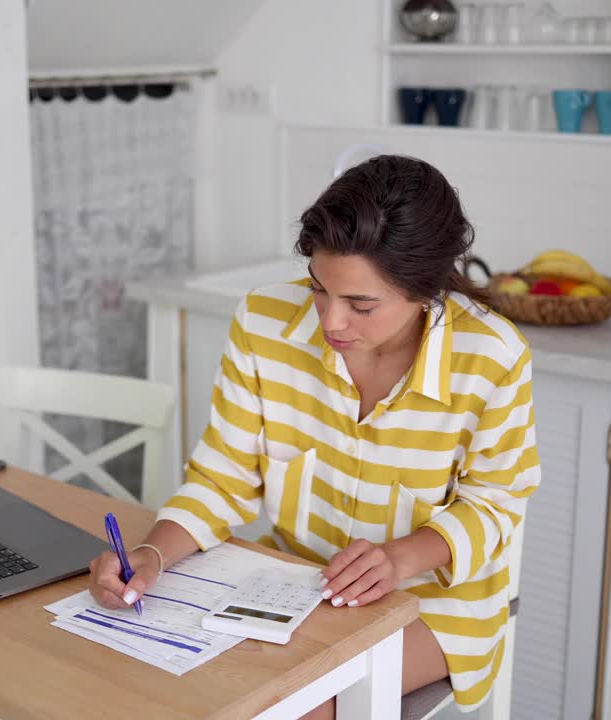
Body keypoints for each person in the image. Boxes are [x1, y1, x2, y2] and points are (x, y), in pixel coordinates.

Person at [88, 155, 540, 717]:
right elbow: (221, 476)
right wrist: (152, 553)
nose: (330, 322)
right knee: (163, 689)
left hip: (432, 604)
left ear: (424, 292)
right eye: (319, 288)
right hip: (293, 588)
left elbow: (496, 502)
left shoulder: (491, 357)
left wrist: (400, 559)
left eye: (361, 305)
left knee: (289, 709)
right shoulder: (262, 323)